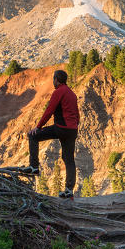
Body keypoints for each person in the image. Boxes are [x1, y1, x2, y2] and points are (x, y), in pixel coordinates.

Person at [27, 69, 79, 199]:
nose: (53, 81)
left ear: (56, 79)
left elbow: (49, 111)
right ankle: (69, 191)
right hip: (72, 130)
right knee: (69, 159)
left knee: (33, 136)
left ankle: (34, 167)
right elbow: (77, 114)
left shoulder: (59, 91)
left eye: (53, 79)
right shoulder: (72, 94)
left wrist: (38, 127)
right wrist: (75, 125)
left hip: (61, 128)